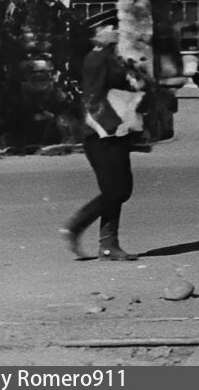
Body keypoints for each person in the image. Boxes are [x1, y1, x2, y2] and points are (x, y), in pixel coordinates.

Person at [61, 27, 147, 261]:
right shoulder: (97, 60)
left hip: (114, 131)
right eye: (112, 33)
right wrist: (107, 127)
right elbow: (92, 98)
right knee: (116, 190)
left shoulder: (107, 59)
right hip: (103, 133)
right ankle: (76, 226)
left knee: (120, 190)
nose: (116, 34)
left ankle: (108, 245)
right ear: (105, 41)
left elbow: (131, 87)